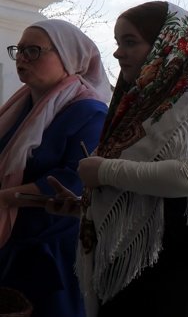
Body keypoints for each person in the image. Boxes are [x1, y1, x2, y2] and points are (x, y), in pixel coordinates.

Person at [73, 2, 188, 315]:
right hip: (140, 267)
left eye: (130, 42)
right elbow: (138, 180)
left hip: (176, 271)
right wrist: (84, 202)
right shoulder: (142, 104)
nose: (118, 53)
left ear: (168, 44)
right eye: (118, 43)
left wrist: (103, 172)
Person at [0, 20, 108, 317]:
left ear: (68, 57)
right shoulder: (20, 106)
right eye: (19, 50)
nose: (22, 58)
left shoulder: (90, 112)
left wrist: (6, 197)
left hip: (54, 249)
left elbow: (76, 178)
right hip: (13, 242)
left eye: (33, 51)